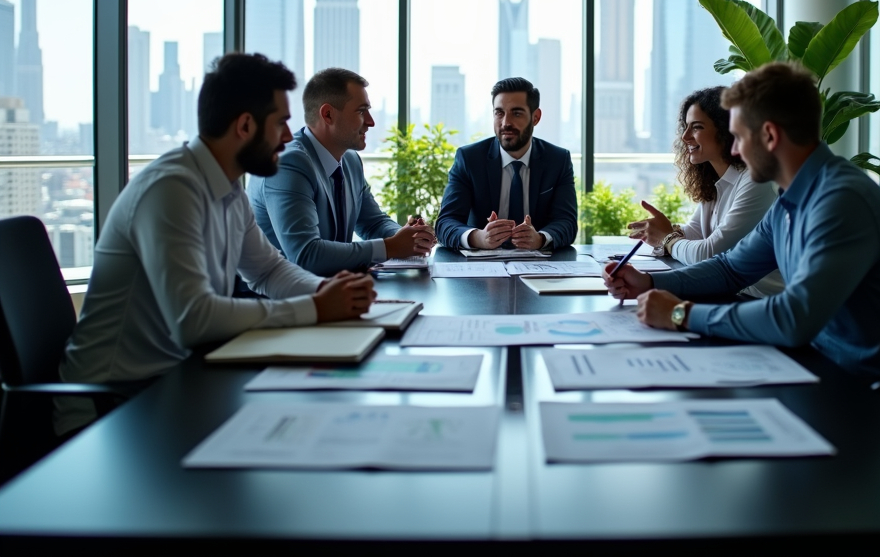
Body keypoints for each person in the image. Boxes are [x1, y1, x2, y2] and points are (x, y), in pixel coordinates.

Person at [604, 62, 880, 415]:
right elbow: (730, 269)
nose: (733, 151)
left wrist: (680, 313)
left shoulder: (842, 201)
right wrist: (648, 281)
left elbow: (795, 317)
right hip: (825, 371)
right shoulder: (791, 199)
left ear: (769, 136)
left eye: (738, 137)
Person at [59, 54, 376, 434]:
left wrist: (328, 292)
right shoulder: (171, 190)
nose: (290, 137)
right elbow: (193, 319)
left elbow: (268, 270)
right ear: (245, 125)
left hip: (177, 381)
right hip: (113, 406)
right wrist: (315, 307)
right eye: (280, 123)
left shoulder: (226, 188)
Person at [248, 68, 435, 274]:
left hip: (328, 290)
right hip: (275, 300)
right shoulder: (289, 163)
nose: (371, 122)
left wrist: (409, 237)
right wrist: (391, 246)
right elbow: (306, 255)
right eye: (361, 111)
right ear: (328, 114)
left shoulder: (350, 160)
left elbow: (372, 223)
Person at [626, 86, 783, 297]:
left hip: (764, 302)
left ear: (727, 130)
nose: (685, 137)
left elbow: (709, 253)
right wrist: (662, 231)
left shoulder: (757, 181)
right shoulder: (717, 180)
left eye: (696, 127)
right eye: (685, 127)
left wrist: (668, 238)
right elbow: (697, 232)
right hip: (735, 294)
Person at [435, 77, 577, 250]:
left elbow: (567, 222)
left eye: (516, 113)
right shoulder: (469, 159)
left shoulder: (557, 160)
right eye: (499, 113)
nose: (506, 123)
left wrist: (540, 239)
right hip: (480, 270)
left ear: (536, 117)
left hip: (537, 269)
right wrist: (478, 237)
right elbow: (445, 223)